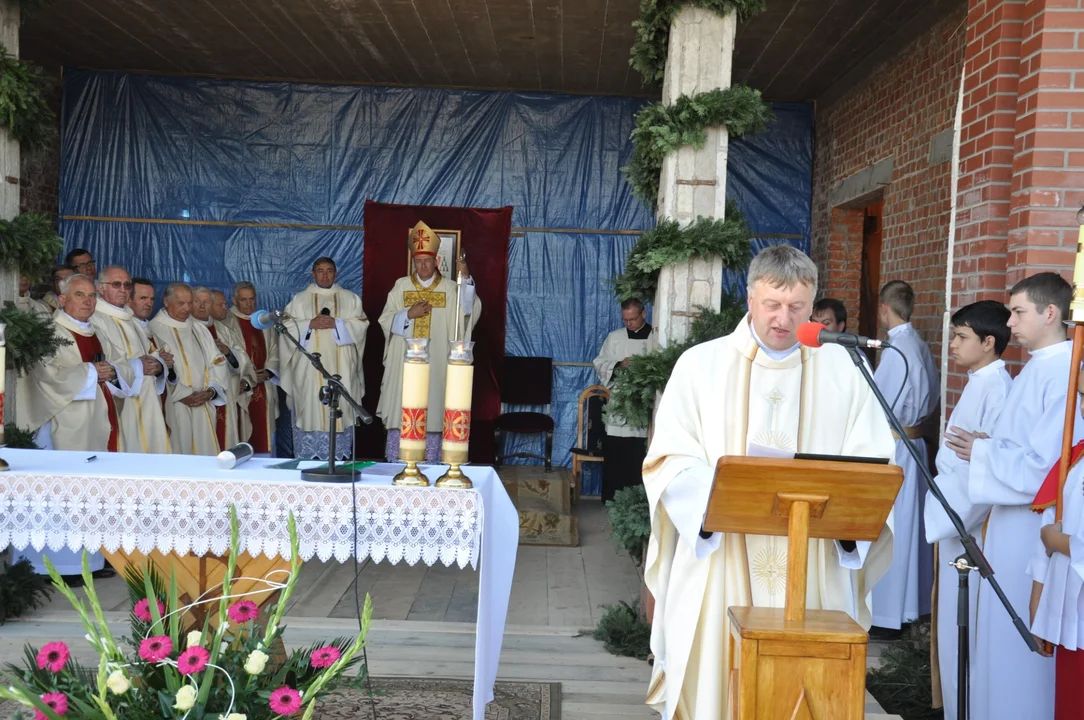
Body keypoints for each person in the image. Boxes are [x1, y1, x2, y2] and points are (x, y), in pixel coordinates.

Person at [642, 244, 895, 719]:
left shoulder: (846, 370)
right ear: (750, 300)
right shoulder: (702, 365)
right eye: (772, 305)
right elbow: (670, 456)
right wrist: (721, 500)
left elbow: (874, 461)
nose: (783, 319)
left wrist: (844, 522)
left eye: (796, 307)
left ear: (813, 305)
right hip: (722, 560)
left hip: (813, 563)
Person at [946, 272, 1077, 720]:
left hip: (1030, 526)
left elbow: (1048, 468)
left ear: (1050, 313)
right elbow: (1024, 445)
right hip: (1008, 521)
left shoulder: (1061, 371)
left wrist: (984, 452)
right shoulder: (1038, 365)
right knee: (996, 641)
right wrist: (990, 444)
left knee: (1015, 650)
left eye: (1019, 312)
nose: (1010, 321)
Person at [923, 300, 1012, 720]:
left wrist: (951, 520)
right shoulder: (981, 380)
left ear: (989, 342)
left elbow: (984, 470)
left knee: (964, 631)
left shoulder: (997, 388)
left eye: (961, 337)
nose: (953, 345)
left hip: (967, 529)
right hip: (953, 515)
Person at [19, 274, 135, 581]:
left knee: (94, 494)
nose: (88, 301)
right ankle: (57, 565)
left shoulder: (97, 332)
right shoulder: (50, 331)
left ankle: (91, 560)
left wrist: (112, 371)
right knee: (64, 494)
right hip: (63, 424)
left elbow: (120, 364)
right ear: (62, 300)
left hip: (99, 419)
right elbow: (46, 376)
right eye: (80, 295)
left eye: (91, 296)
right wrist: (90, 372)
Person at [377, 221, 481, 462]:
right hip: (403, 365)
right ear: (413, 262)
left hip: (438, 364)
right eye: (418, 261)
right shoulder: (400, 286)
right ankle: (402, 460)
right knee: (404, 408)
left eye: (427, 261)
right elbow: (385, 320)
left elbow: (466, 312)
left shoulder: (450, 288)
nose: (422, 266)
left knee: (436, 409)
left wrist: (465, 279)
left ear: (436, 261)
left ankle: (433, 462)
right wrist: (407, 315)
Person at [871, 280, 939, 634]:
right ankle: (907, 607)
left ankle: (888, 613)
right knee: (908, 526)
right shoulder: (919, 345)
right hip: (913, 445)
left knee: (895, 528)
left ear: (884, 308)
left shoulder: (898, 350)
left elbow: (877, 403)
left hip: (897, 447)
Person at [1029, 363, 1084, 720]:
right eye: (1082, 396)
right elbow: (1045, 533)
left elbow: (1052, 536)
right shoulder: (1075, 459)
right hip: (1070, 619)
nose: (1083, 407)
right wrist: (1038, 607)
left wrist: (1060, 542)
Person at [281, 257, 368, 460]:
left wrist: (337, 324)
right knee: (311, 407)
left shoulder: (350, 299)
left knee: (339, 410)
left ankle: (337, 461)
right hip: (309, 372)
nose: (325, 275)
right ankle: (310, 459)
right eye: (320, 271)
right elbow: (285, 328)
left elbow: (362, 325)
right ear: (313, 274)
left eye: (329, 271)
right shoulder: (300, 300)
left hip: (342, 370)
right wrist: (309, 324)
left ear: (336, 273)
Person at [90, 266, 173, 454]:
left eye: (127, 285)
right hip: (121, 402)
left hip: (148, 400)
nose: (123, 289)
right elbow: (103, 360)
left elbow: (151, 353)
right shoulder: (95, 318)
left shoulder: (130, 319)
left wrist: (158, 365)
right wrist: (138, 365)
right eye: (116, 284)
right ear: (101, 288)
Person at [149, 283, 229, 456]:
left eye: (189, 303)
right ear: (166, 302)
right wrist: (182, 393)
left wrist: (211, 391)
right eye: (181, 303)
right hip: (175, 405)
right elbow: (157, 370)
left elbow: (217, 362)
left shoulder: (199, 329)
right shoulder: (153, 329)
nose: (187, 308)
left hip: (204, 403)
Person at [592, 297, 657, 502]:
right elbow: (599, 362)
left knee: (639, 452)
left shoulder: (656, 336)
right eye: (625, 320)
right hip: (620, 400)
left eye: (632, 319)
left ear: (643, 314)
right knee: (617, 451)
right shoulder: (615, 337)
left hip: (644, 402)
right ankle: (612, 499)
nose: (628, 324)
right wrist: (620, 364)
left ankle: (637, 501)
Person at [192, 287, 254, 450]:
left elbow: (243, 357)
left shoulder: (223, 330)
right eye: (198, 301)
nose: (202, 306)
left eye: (207, 302)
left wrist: (228, 352)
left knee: (226, 440)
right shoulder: (187, 329)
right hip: (200, 396)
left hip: (227, 395)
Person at [224, 281, 280, 455]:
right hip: (242, 385)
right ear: (234, 300)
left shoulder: (263, 320)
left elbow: (274, 349)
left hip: (264, 384)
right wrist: (248, 375)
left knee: (264, 431)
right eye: (244, 300)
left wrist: (269, 371)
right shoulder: (227, 321)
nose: (249, 304)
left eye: (252, 299)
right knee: (241, 427)